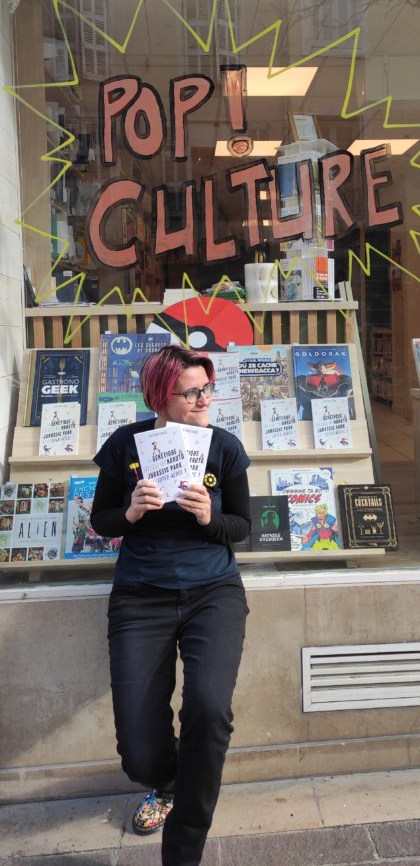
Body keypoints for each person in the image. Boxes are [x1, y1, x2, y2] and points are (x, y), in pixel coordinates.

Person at [90, 344, 251, 866]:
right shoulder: (125, 444)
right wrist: (130, 512)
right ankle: (169, 781)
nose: (205, 398)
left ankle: (183, 850)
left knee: (208, 711)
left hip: (213, 593)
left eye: (208, 387)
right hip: (141, 596)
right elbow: (101, 520)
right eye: (193, 391)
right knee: (138, 750)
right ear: (161, 395)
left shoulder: (223, 447)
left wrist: (210, 519)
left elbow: (243, 529)